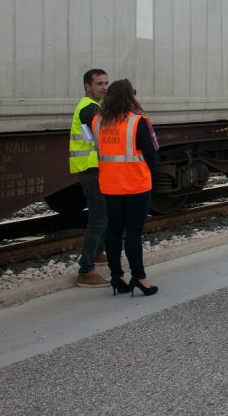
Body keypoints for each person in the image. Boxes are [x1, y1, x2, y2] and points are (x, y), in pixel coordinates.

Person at [94, 79, 159, 297]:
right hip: (135, 185)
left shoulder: (98, 122)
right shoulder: (137, 121)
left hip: (109, 185)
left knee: (113, 231)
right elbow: (151, 155)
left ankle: (116, 277)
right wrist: (153, 174)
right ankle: (139, 278)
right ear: (130, 97)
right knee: (133, 232)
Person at [71, 68, 110, 287]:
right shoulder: (89, 109)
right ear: (88, 86)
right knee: (98, 218)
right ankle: (86, 270)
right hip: (91, 170)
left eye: (106, 83)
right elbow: (105, 135)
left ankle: (97, 253)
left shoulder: (93, 107)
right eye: (99, 84)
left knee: (103, 214)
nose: (104, 87)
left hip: (94, 169)